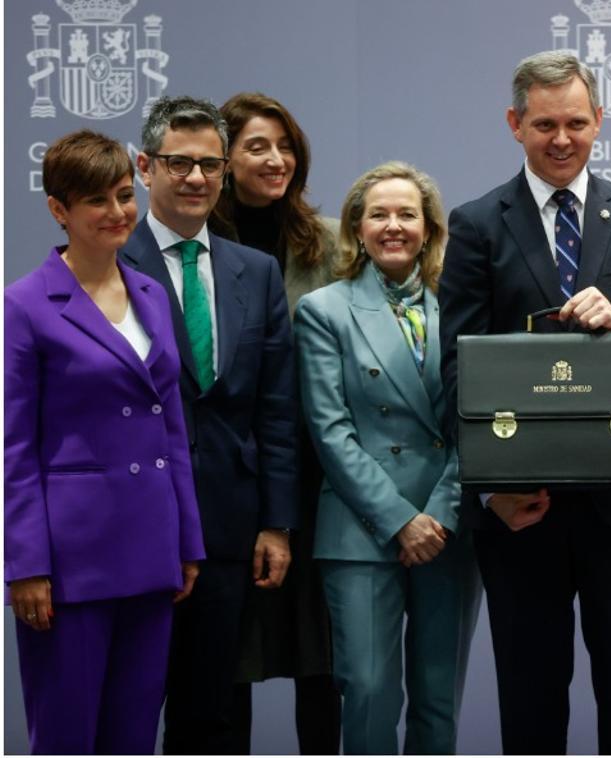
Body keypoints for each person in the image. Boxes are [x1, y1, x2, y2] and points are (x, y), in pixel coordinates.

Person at [438, 50, 611, 754]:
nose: (561, 139)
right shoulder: (478, 223)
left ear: (600, 121)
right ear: (515, 124)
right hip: (523, 509)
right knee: (530, 699)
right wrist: (490, 492)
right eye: (544, 123)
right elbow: (455, 368)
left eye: (576, 122)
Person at [4, 130, 204, 753]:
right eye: (98, 200)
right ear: (59, 210)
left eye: (124, 195)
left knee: (134, 733)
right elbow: (12, 449)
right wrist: (26, 564)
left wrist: (186, 540)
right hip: (71, 561)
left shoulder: (149, 291)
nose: (119, 213)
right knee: (67, 735)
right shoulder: (24, 305)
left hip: (151, 548)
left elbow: (171, 423)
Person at [118, 95, 299, 754]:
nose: (196, 179)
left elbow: (276, 406)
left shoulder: (257, 270)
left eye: (210, 166)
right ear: (145, 166)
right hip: (130, 522)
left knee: (213, 718)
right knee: (126, 709)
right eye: (179, 163)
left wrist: (276, 520)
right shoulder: (103, 266)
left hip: (228, 525)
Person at [295, 161, 481, 754]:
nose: (393, 225)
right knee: (369, 690)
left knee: (437, 694)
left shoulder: (460, 308)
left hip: (447, 527)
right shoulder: (325, 310)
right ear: (357, 227)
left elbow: (474, 424)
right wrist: (401, 520)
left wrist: (440, 514)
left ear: (429, 228)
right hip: (362, 530)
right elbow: (330, 432)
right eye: (379, 214)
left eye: (407, 214)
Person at [209, 91, 341, 754]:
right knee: (227, 662)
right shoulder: (198, 250)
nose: (277, 158)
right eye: (258, 145)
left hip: (320, 486)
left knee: (322, 664)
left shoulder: (335, 245)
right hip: (230, 482)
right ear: (223, 160)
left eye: (285, 145)